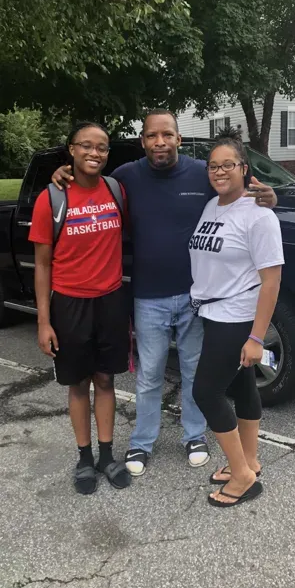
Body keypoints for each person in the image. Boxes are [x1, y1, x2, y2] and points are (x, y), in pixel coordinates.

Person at [51, 110, 277, 478]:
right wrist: (60, 173)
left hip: (194, 299)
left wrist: (266, 194)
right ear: (142, 141)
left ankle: (194, 436)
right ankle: (142, 440)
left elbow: (239, 186)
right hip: (148, 296)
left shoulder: (201, 174)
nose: (160, 142)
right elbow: (86, 184)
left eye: (167, 135)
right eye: (152, 136)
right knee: (150, 374)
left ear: (178, 139)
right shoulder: (123, 178)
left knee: (193, 372)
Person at [29, 121, 131, 495]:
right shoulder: (52, 198)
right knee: (77, 384)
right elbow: (42, 263)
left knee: (106, 379)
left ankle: (107, 455)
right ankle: (84, 458)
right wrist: (43, 321)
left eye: (101, 147)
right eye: (86, 146)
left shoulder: (116, 190)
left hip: (110, 300)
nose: (94, 153)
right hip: (69, 303)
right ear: (70, 149)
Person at [189, 128, 284, 508]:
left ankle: (243, 478)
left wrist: (257, 337)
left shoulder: (259, 215)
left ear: (244, 168)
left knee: (205, 392)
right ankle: (250, 461)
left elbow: (272, 280)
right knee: (242, 387)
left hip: (237, 317)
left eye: (228, 164)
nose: (219, 171)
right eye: (214, 165)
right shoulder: (213, 205)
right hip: (214, 312)